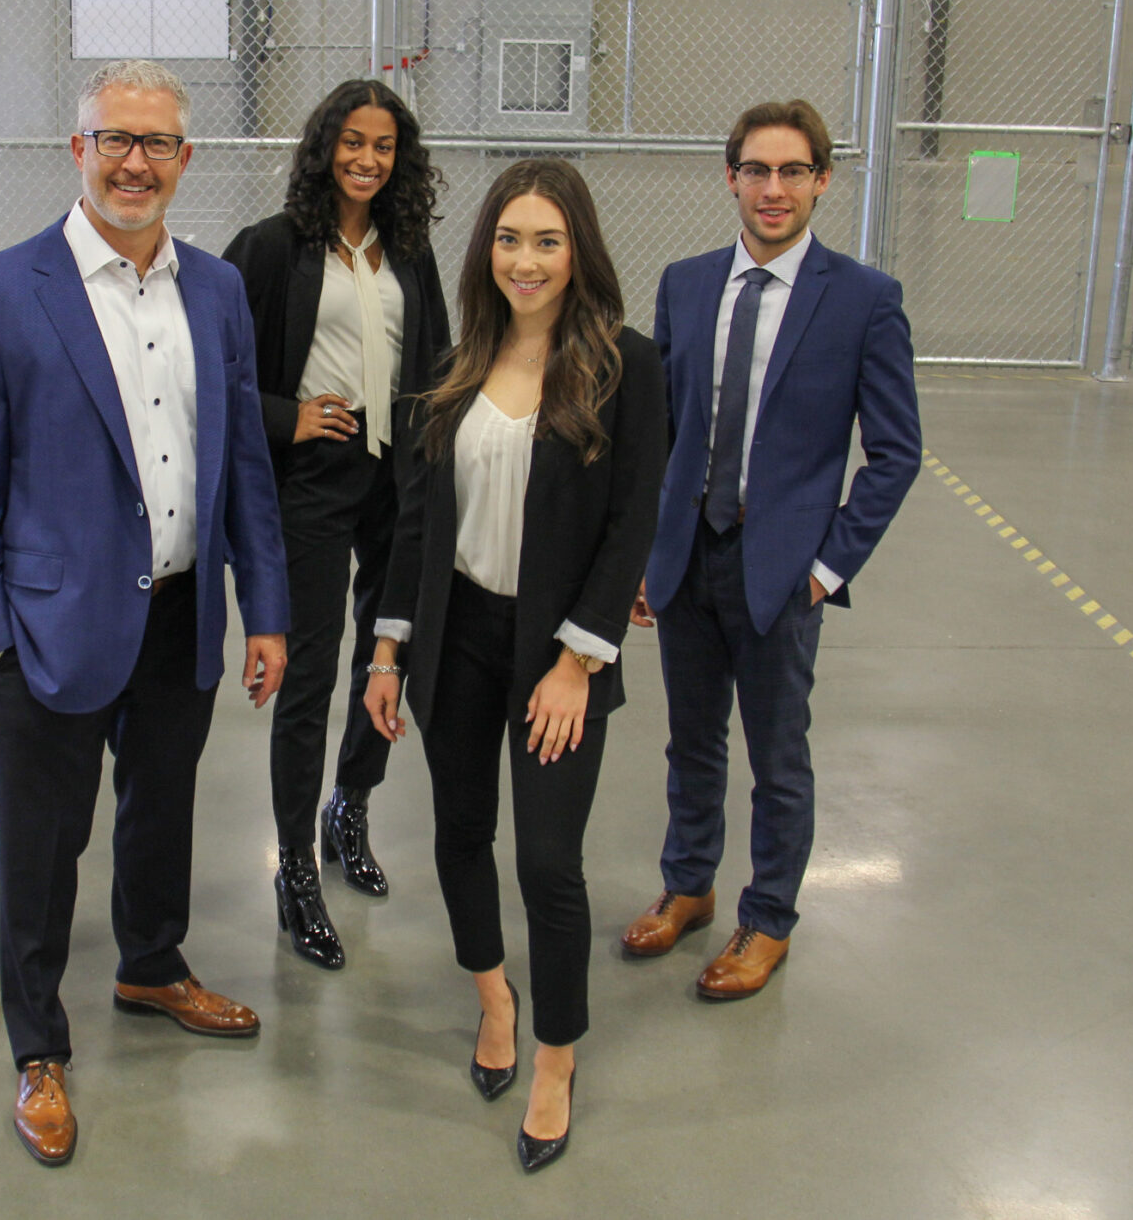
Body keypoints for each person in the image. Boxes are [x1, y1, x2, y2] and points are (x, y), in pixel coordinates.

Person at [0, 59, 290, 1169]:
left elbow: (244, 462)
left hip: (181, 610)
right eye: (112, 139)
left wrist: (264, 608)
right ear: (76, 150)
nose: (135, 162)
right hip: (48, 626)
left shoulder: (216, 291)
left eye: (156, 142)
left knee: (160, 809)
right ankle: (38, 1045)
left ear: (186, 158)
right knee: (42, 846)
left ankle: (151, 965)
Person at [362, 158, 665, 1173]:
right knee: (458, 832)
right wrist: (387, 648)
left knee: (546, 863)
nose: (524, 260)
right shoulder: (453, 367)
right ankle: (493, 995)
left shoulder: (626, 366)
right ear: (483, 250)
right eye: (507, 238)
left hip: (556, 653)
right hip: (457, 636)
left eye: (545, 240)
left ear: (578, 251)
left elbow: (630, 525)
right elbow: (415, 525)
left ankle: (556, 1056)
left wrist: (578, 661)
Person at [621, 99, 920, 1000]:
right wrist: (646, 552)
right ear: (731, 178)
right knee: (690, 744)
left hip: (782, 572)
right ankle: (688, 885)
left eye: (794, 171)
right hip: (688, 560)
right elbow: (661, 431)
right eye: (757, 169)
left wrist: (826, 569)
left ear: (823, 180)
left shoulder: (863, 300)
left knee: (779, 761)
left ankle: (769, 918)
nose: (774, 188)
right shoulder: (686, 284)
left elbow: (895, 452)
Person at [221, 79, 451, 970]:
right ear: (325, 148)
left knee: (390, 653)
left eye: (383, 146)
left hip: (398, 475)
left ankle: (350, 802)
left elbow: (435, 359)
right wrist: (290, 418)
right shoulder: (273, 247)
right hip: (315, 475)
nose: (367, 159)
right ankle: (295, 867)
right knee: (309, 675)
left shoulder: (410, 252)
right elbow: (220, 368)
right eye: (352, 141)